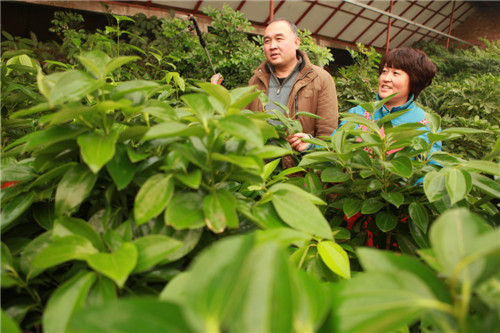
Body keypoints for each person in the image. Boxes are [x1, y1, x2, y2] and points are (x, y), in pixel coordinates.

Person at [288, 47, 441, 160]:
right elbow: (336, 149)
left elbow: (430, 169)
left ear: (414, 81)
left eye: (396, 73)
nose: (386, 78)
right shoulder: (359, 113)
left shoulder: (426, 123)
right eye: (384, 71)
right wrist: (311, 145)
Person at [247, 18, 339, 141]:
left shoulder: (320, 78)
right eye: (267, 41)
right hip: (261, 158)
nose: (272, 46)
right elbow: (245, 124)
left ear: (296, 43)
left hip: (299, 158)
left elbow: (328, 132)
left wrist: (310, 144)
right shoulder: (255, 81)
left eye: (279, 39)